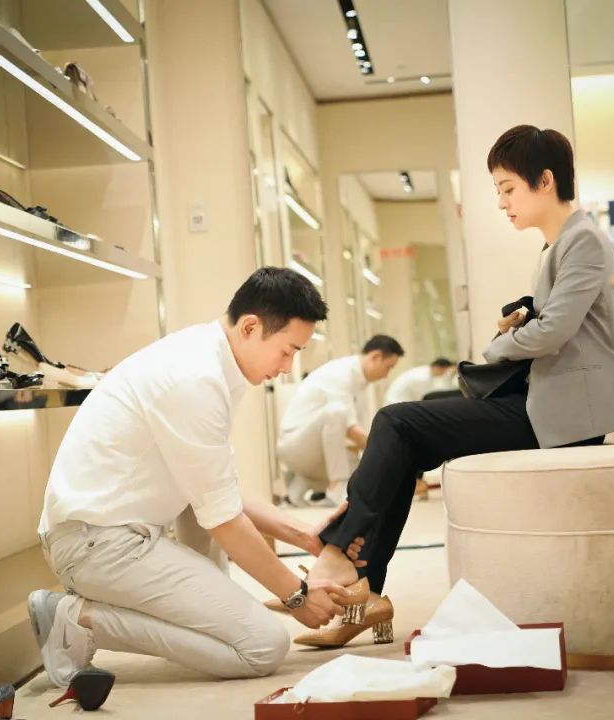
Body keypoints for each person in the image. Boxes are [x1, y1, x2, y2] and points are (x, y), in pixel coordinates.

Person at [291, 125, 614, 648]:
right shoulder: (560, 244)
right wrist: (521, 323)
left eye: (507, 188)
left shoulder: (582, 240)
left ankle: (341, 555)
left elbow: (554, 332)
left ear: (545, 181)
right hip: (545, 402)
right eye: (499, 190)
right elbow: (555, 325)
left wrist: (499, 346)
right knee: (406, 434)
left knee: (396, 421)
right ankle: (366, 589)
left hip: (563, 419)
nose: (501, 202)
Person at [26, 267, 368, 689]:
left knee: (228, 609)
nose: (287, 367)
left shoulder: (212, 360)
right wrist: (297, 595)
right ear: (250, 327)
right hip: (97, 546)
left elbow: (219, 487)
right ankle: (75, 618)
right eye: (287, 351)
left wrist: (305, 536)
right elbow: (224, 520)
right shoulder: (194, 378)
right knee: (263, 645)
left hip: (111, 534)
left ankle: (106, 613)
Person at [276, 335, 404, 506]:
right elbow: (351, 430)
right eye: (389, 367)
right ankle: (337, 488)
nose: (387, 375)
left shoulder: (361, 383)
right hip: (294, 446)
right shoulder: (341, 373)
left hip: (308, 448)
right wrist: (388, 453)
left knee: (361, 468)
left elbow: (360, 436)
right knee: (336, 412)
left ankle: (299, 487)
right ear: (376, 357)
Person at [382, 357, 455, 406]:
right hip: (395, 403)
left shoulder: (425, 371)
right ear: (438, 368)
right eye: (444, 371)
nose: (443, 374)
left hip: (398, 402)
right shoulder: (423, 377)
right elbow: (424, 398)